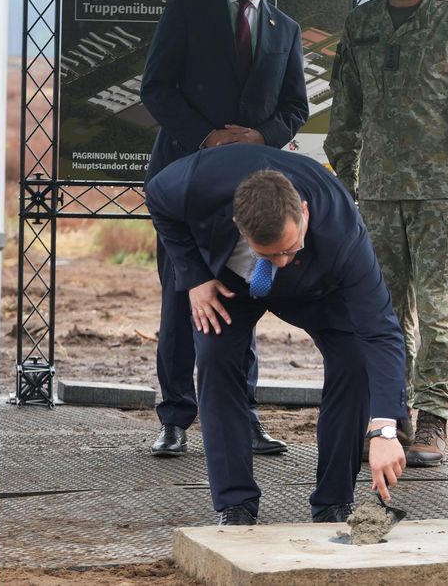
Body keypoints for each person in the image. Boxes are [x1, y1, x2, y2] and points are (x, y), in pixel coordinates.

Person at [144, 144, 409, 525]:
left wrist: (384, 429)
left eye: (288, 249)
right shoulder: (193, 183)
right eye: (270, 254)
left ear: (303, 213)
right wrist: (195, 277)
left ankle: (334, 502)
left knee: (353, 361)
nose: (281, 262)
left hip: (319, 283)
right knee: (216, 360)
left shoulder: (342, 231)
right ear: (239, 225)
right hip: (232, 283)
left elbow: (381, 332)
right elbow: (157, 199)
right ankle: (235, 505)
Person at [140, 0, 309, 459]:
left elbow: (295, 109)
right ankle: (175, 418)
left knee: (244, 300)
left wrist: (261, 138)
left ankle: (244, 416)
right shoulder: (187, 12)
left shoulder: (285, 28)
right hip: (187, 178)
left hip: (253, 191)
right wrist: (207, 136)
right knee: (181, 297)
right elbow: (155, 89)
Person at [324, 0, 448, 467]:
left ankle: (433, 418)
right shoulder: (360, 24)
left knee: (439, 310)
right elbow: (346, 110)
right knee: (383, 310)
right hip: (379, 193)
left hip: (443, 195)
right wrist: (342, 183)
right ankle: (393, 415)